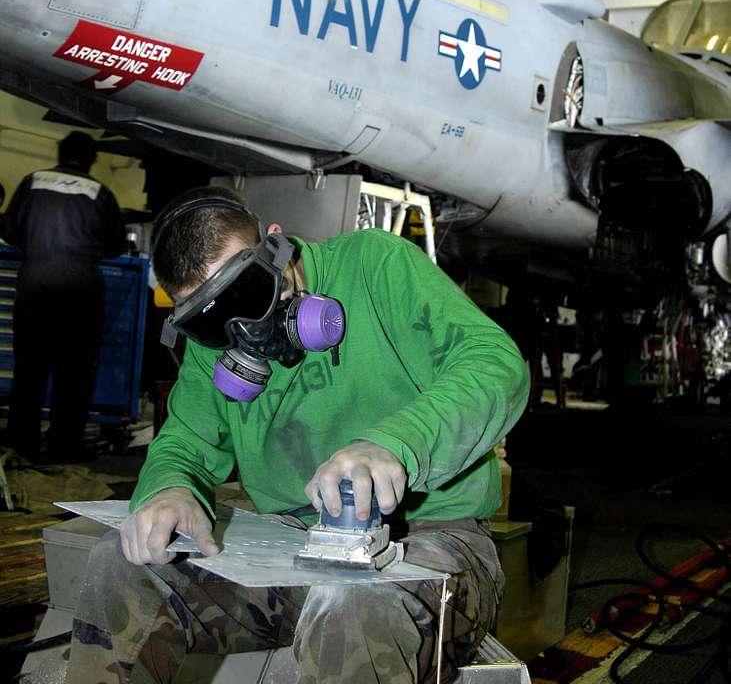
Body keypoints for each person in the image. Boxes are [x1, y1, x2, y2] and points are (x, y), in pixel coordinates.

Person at [67, 185, 529, 684]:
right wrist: (169, 487)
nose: (242, 330)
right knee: (123, 565)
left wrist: (396, 443)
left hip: (432, 540)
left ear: (275, 244)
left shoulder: (377, 266)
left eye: (246, 293)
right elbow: (184, 443)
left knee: (353, 606)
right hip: (290, 549)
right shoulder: (217, 347)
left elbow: (495, 363)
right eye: (211, 321)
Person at [3, 131, 125, 461]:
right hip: (80, 293)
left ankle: (22, 443)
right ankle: (63, 446)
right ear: (92, 159)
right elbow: (116, 245)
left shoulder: (32, 182)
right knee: (74, 373)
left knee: (29, 370)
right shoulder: (100, 193)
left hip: (34, 287)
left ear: (59, 153)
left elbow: (10, 231)